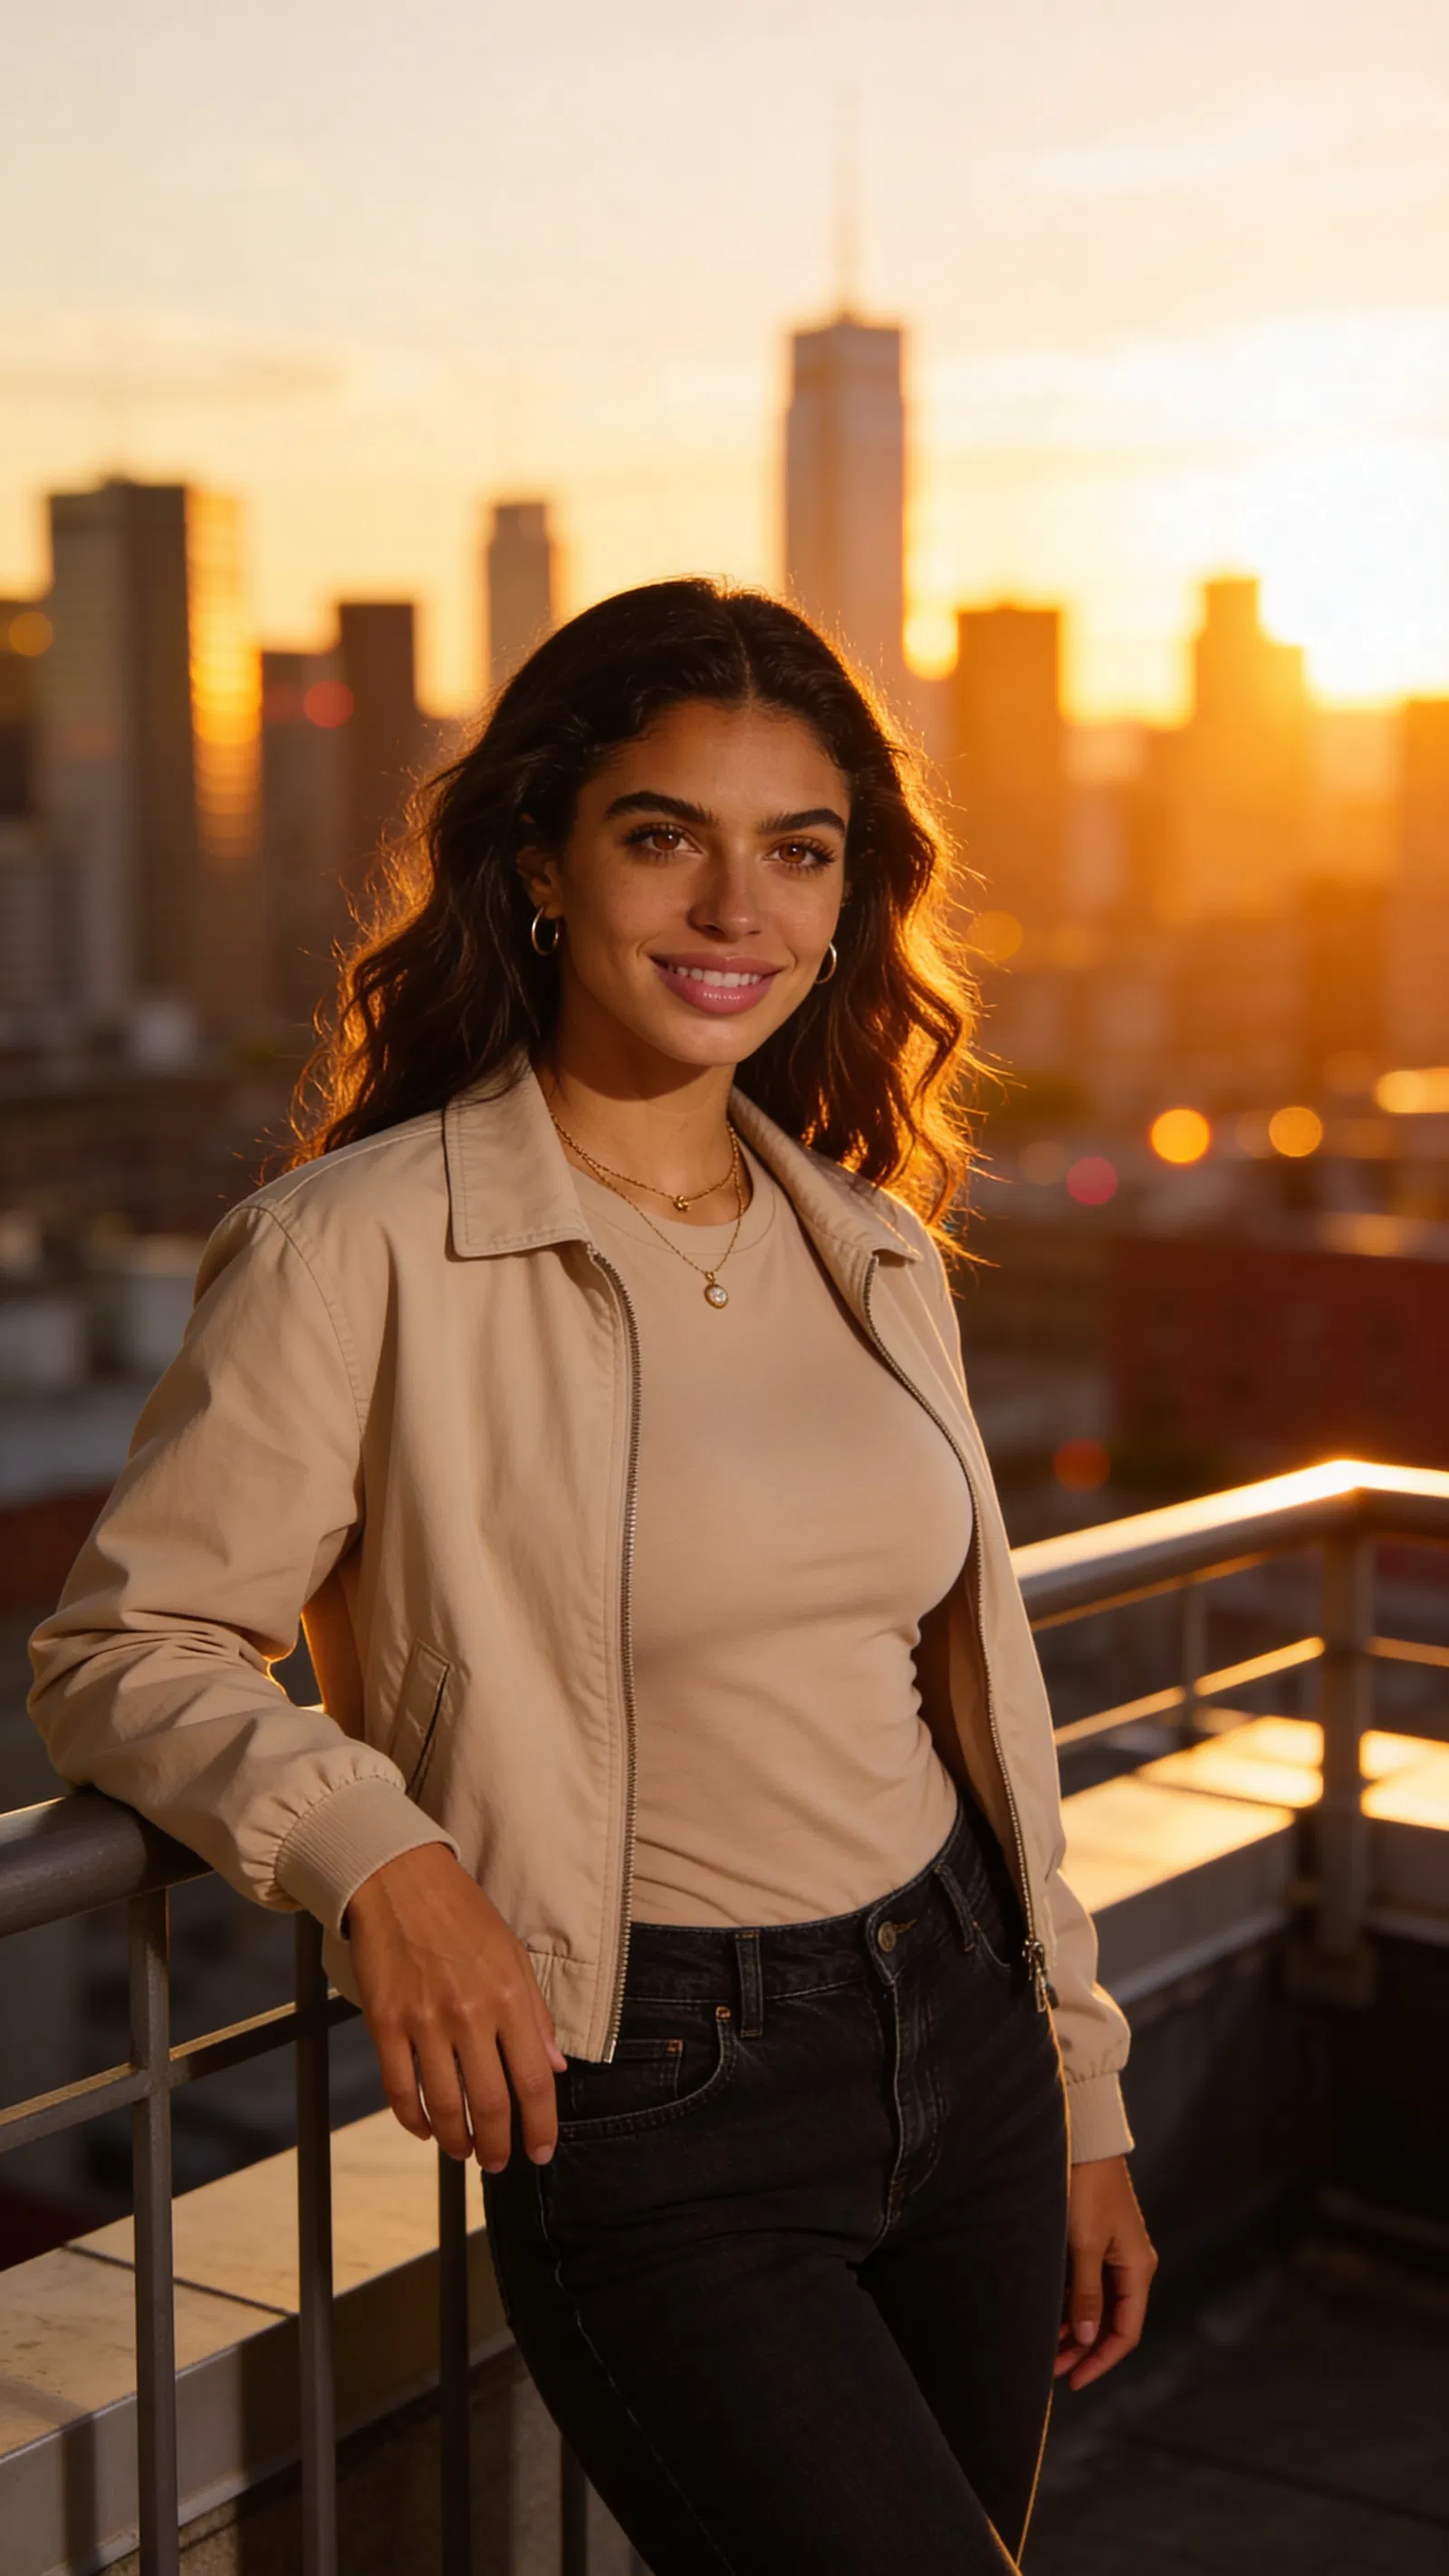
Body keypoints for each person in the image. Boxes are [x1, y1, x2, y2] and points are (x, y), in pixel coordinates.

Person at [30, 580, 1155, 2574]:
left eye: (793, 852)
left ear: (845, 900)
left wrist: (1076, 2088)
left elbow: (977, 1702)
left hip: (963, 2025)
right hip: (663, 2100)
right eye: (665, 836)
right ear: (541, 861)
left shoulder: (871, 1245)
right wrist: (379, 1854)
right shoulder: (353, 1247)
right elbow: (131, 1646)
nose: (736, 909)